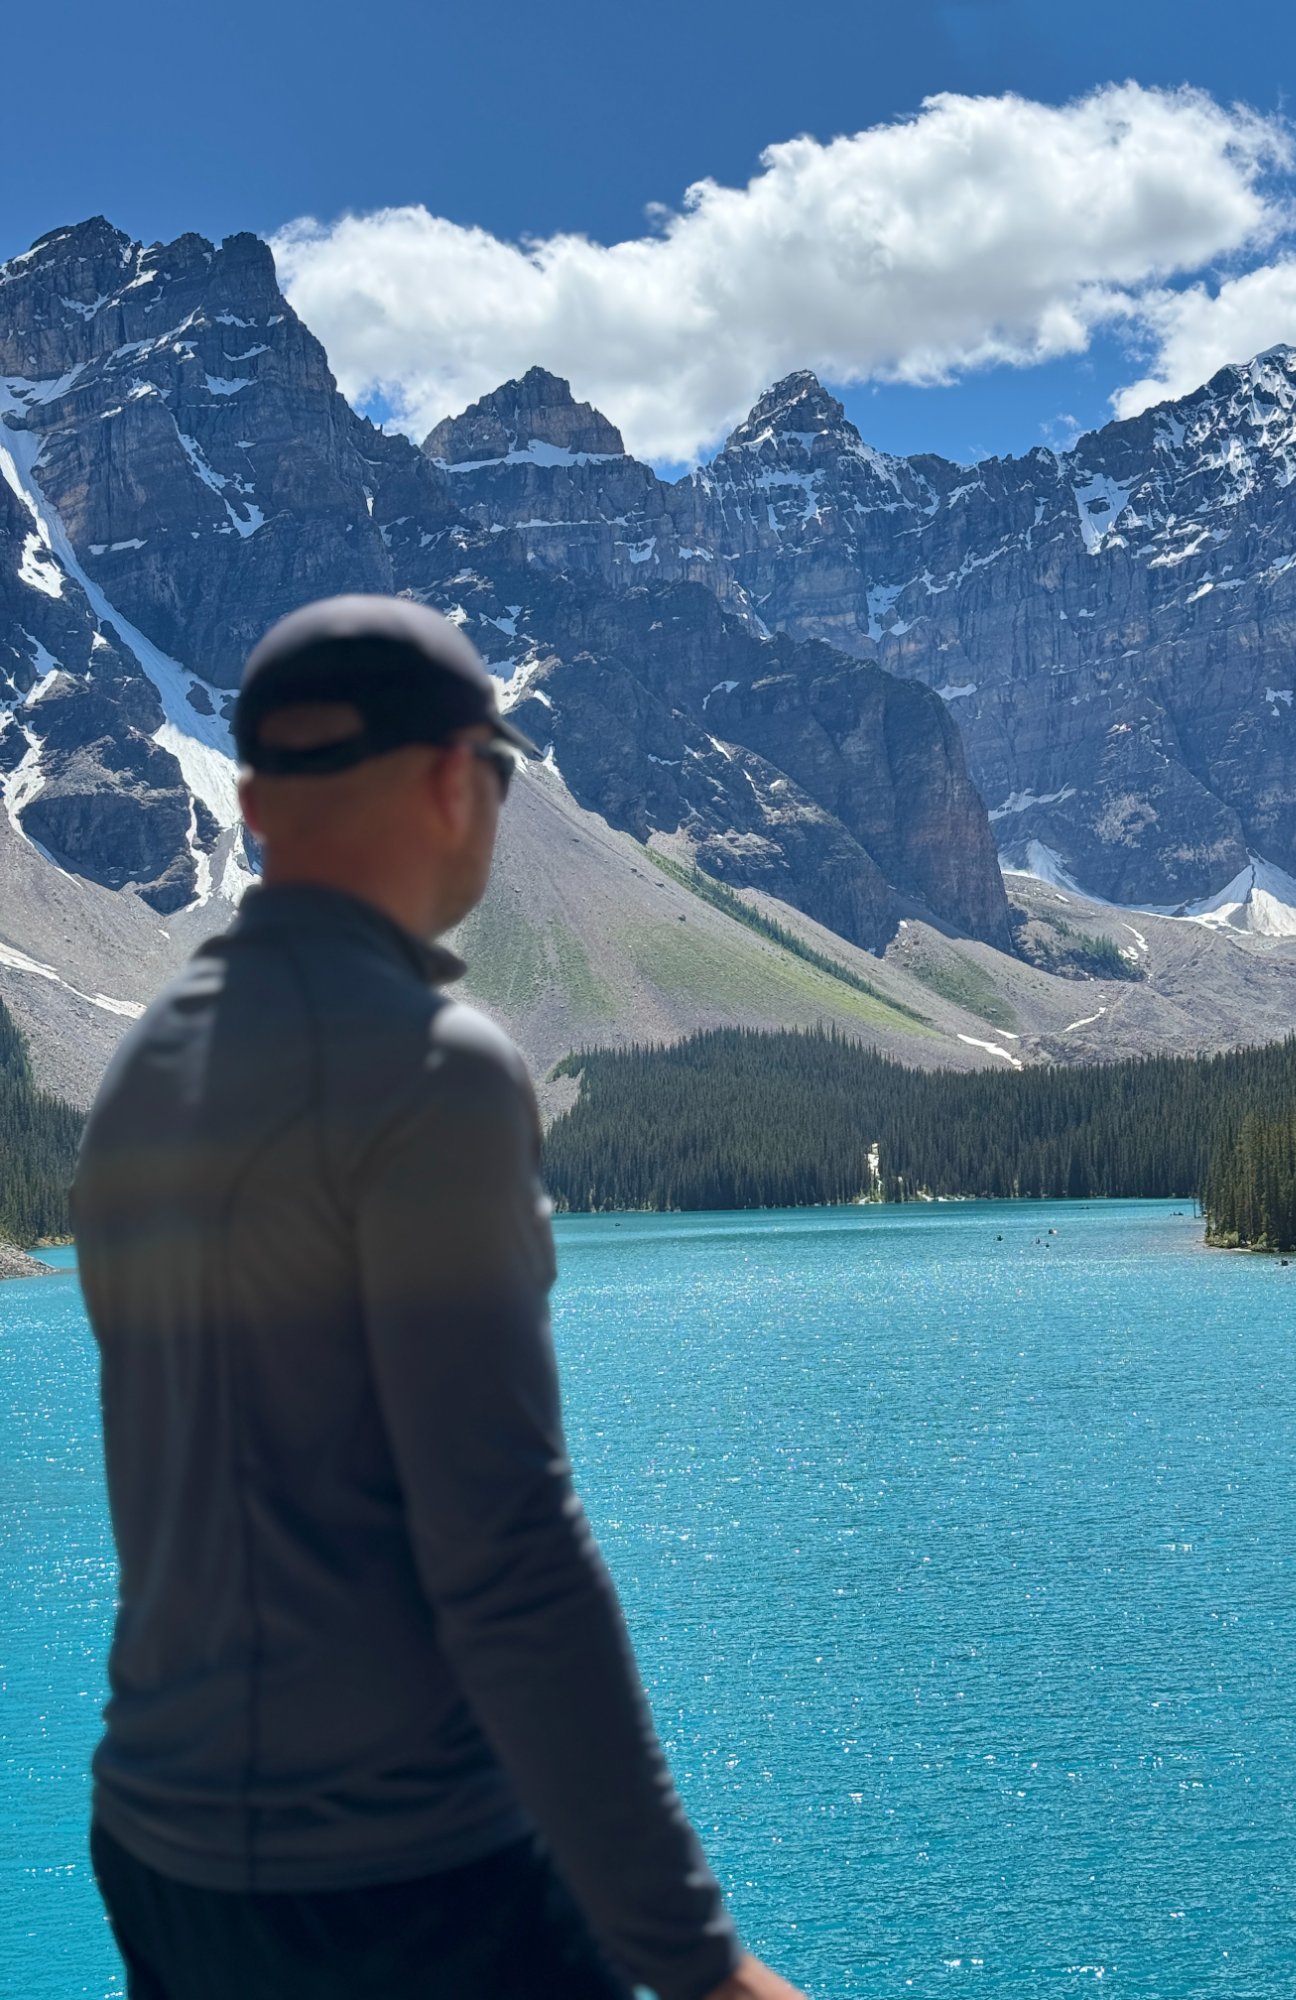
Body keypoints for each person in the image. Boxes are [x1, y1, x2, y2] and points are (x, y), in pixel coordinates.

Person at [72, 596, 807, 2000]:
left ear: (253, 804)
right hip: (400, 1877)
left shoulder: (142, 1068)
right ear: (452, 780)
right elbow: (506, 1546)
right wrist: (698, 1961)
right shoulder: (429, 1069)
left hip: (163, 1851)